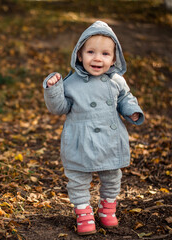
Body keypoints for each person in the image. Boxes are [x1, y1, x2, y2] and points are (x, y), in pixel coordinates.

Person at [43, 21, 144, 235]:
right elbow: (59, 108)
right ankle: (83, 211)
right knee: (78, 178)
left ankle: (107, 207)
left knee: (111, 175)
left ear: (114, 58)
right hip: (80, 139)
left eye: (105, 54)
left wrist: (131, 109)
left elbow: (125, 97)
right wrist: (53, 90)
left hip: (109, 139)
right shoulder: (70, 83)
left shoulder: (117, 81)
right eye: (90, 52)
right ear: (79, 55)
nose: (97, 58)